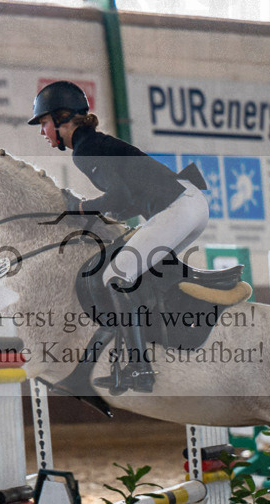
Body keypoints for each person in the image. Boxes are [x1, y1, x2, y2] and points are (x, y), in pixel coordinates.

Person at [28, 80, 209, 394]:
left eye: (44, 123)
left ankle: (140, 367)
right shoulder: (94, 143)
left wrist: (80, 207)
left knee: (115, 275)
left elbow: (119, 195)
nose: (42, 132)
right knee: (140, 273)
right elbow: (126, 201)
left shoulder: (84, 149)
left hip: (179, 207)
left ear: (62, 117)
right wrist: (93, 213)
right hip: (191, 205)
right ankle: (160, 344)